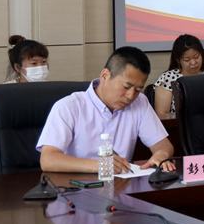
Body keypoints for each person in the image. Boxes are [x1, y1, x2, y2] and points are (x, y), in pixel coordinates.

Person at [37, 46, 177, 174]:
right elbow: (48, 159)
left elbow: (163, 145)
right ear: (105, 75)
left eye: (138, 89)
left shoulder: (140, 102)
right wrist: (101, 165)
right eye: (126, 87)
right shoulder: (69, 107)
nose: (130, 96)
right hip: (76, 187)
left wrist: (161, 155)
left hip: (121, 185)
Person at [152, 34, 204, 117]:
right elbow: (162, 115)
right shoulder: (168, 78)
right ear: (178, 60)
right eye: (187, 60)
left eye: (196, 57)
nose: (193, 62)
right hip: (178, 124)